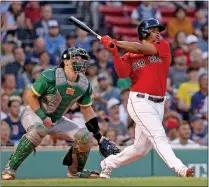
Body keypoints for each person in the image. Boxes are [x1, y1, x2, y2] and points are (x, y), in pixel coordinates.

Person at [2, 47, 119, 180]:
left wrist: (99, 137)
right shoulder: (50, 75)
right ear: (66, 61)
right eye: (76, 58)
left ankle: (75, 172)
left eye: (82, 59)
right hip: (34, 113)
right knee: (38, 130)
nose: (80, 61)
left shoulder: (84, 84)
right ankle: (10, 168)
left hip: (56, 120)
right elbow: (30, 96)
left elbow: (87, 110)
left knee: (85, 137)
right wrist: (43, 116)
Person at [99, 18, 194, 178]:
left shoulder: (162, 46)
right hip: (139, 101)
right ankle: (180, 168)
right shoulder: (130, 55)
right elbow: (122, 73)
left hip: (158, 104)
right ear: (144, 32)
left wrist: (116, 42)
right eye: (154, 30)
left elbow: (141, 48)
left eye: (158, 31)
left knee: (140, 149)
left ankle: (108, 163)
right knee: (159, 135)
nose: (158, 34)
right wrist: (114, 52)